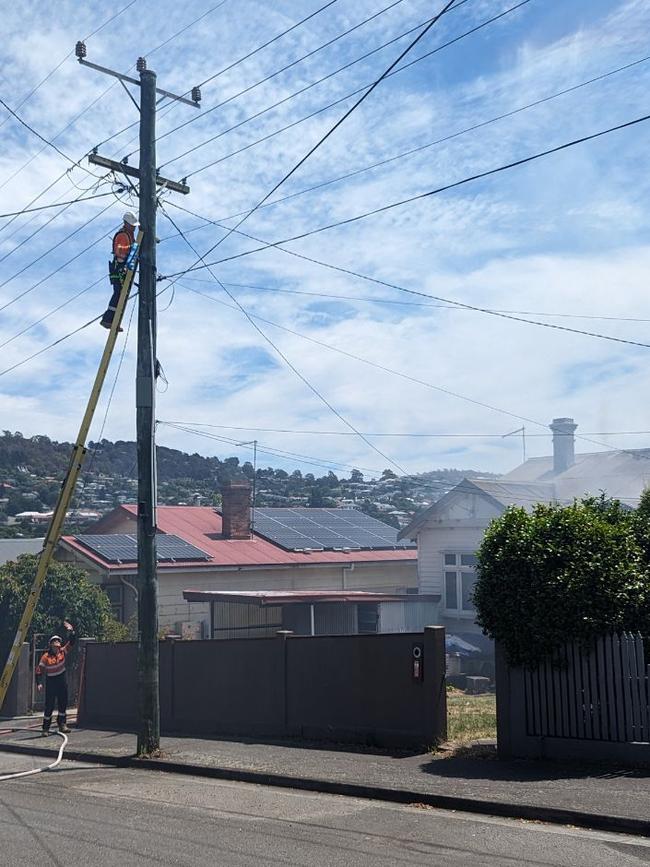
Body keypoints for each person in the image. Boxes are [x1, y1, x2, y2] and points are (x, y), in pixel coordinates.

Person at [36, 621, 76, 735]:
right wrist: (39, 683)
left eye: (58, 641)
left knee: (63, 702)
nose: (57, 643)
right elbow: (39, 670)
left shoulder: (62, 652)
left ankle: (62, 724)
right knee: (49, 705)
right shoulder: (45, 657)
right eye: (55, 641)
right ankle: (45, 728)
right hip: (51, 681)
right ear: (51, 644)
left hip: (61, 679)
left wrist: (71, 630)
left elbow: (72, 642)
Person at [100, 211, 138, 329]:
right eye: (132, 225)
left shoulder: (129, 235)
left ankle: (113, 320)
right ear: (125, 223)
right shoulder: (123, 235)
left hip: (123, 268)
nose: (134, 227)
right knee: (119, 293)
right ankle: (108, 319)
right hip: (119, 268)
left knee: (122, 294)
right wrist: (132, 249)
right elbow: (120, 252)